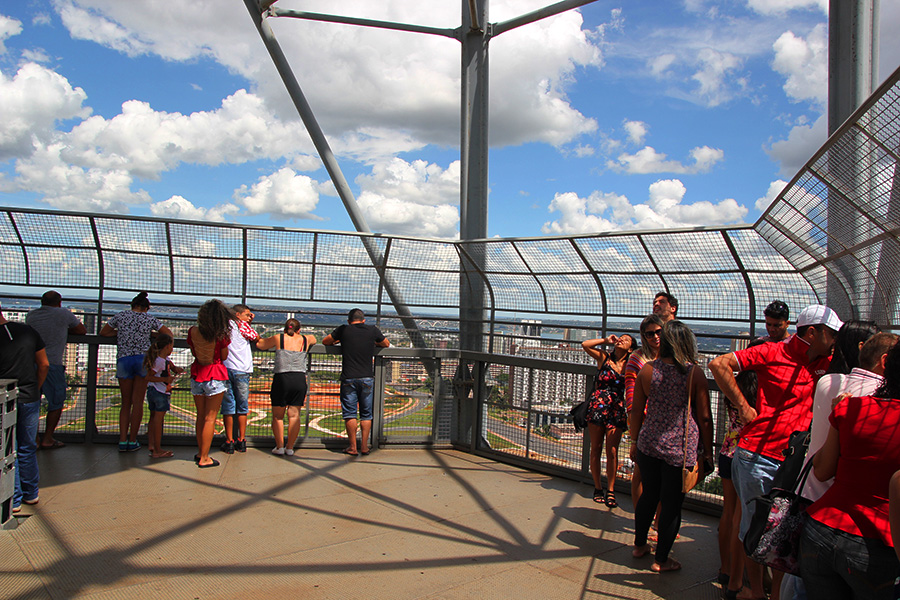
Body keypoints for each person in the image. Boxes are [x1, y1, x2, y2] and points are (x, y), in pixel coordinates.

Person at [710, 304, 841, 600]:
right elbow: (719, 365)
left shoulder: (825, 360)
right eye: (831, 334)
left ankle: (773, 593)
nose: (834, 340)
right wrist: (744, 408)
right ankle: (757, 592)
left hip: (792, 460)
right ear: (812, 332)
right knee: (755, 529)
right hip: (759, 455)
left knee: (781, 534)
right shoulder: (772, 352)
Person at [799, 338, 900, 600]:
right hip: (878, 542)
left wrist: (839, 419)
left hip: (821, 529)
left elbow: (821, 470)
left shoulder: (851, 407)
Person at [630, 320, 713, 573]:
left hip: (649, 443)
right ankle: (662, 559)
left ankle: (639, 545)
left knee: (649, 495)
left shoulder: (647, 370)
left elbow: (636, 411)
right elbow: (705, 417)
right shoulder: (693, 373)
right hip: (679, 449)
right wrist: (708, 451)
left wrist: (634, 441)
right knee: (672, 503)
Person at [803, 331, 895, 501]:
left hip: (809, 492)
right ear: (885, 361)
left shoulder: (828, 381)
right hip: (845, 500)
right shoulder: (877, 399)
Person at [100, 292, 173, 452]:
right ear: (146, 308)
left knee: (125, 403)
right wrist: (150, 335)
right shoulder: (149, 319)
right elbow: (167, 333)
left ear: (132, 305)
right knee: (138, 402)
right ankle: (133, 440)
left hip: (123, 359)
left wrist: (121, 333)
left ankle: (122, 440)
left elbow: (104, 332)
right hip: (142, 360)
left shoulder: (120, 316)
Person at [718, 340, 763, 592]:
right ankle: (742, 576)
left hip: (728, 450)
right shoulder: (765, 388)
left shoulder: (735, 384)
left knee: (729, 512)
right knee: (744, 518)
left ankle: (726, 569)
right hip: (751, 454)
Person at [0, 301, 49, 513]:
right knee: (27, 446)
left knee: (8, 448)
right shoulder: (27, 331)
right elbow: (44, 364)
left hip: (4, 399)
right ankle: (31, 493)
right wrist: (36, 389)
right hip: (29, 395)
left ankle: (15, 497)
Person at [322, 308, 389, 456]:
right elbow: (386, 344)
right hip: (366, 377)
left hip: (348, 377)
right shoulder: (372, 330)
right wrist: (373, 343)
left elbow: (325, 341)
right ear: (363, 320)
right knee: (366, 414)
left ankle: (352, 447)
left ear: (349, 321)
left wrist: (340, 340)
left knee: (350, 413)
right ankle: (364, 446)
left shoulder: (344, 329)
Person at [25, 290, 86, 449]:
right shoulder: (63, 314)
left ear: (42, 302)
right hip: (52, 364)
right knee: (56, 402)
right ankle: (48, 438)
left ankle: (33, 439)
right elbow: (81, 330)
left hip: (31, 364)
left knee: (32, 402)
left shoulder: (31, 315)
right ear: (59, 302)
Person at [581, 333, 635, 507]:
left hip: (617, 408)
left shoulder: (631, 364)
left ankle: (611, 490)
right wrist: (606, 340)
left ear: (631, 348)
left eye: (626, 340)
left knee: (612, 451)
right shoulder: (604, 358)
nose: (621, 340)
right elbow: (586, 344)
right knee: (595, 448)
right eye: (620, 338)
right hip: (598, 406)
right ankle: (598, 487)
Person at [257, 318, 316, 456]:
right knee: (294, 416)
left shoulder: (279, 338)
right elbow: (313, 338)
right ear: (299, 330)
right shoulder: (305, 339)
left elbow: (261, 345)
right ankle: (290, 447)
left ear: (285, 329)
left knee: (278, 416)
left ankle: (279, 446)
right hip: (299, 379)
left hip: (282, 379)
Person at [624, 314, 665, 511]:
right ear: (643, 336)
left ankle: (659, 521)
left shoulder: (673, 357)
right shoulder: (637, 359)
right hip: (646, 425)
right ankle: (642, 521)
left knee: (664, 477)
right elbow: (632, 401)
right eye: (650, 334)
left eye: (659, 332)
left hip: (668, 426)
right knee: (640, 473)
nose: (655, 337)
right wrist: (634, 439)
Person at [187, 299, 231, 468]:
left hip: (198, 373)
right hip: (215, 374)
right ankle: (205, 457)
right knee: (210, 418)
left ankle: (200, 452)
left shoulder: (193, 331)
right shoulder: (221, 335)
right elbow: (224, 356)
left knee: (200, 416)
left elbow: (193, 351)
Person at [220, 304, 259, 454]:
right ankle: (241, 440)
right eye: (247, 314)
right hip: (242, 370)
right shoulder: (242, 325)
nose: (249, 317)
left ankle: (229, 441)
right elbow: (256, 337)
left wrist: (247, 320)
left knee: (228, 407)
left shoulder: (224, 326)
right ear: (238, 315)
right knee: (242, 407)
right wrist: (249, 323)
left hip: (226, 369)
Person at [143, 333, 183, 459]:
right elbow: (148, 376)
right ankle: (157, 450)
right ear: (167, 347)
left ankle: (152, 445)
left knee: (153, 417)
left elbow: (170, 366)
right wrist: (166, 378)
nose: (172, 349)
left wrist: (175, 369)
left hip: (153, 390)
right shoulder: (160, 361)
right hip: (159, 391)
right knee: (158, 421)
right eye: (172, 346)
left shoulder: (163, 359)